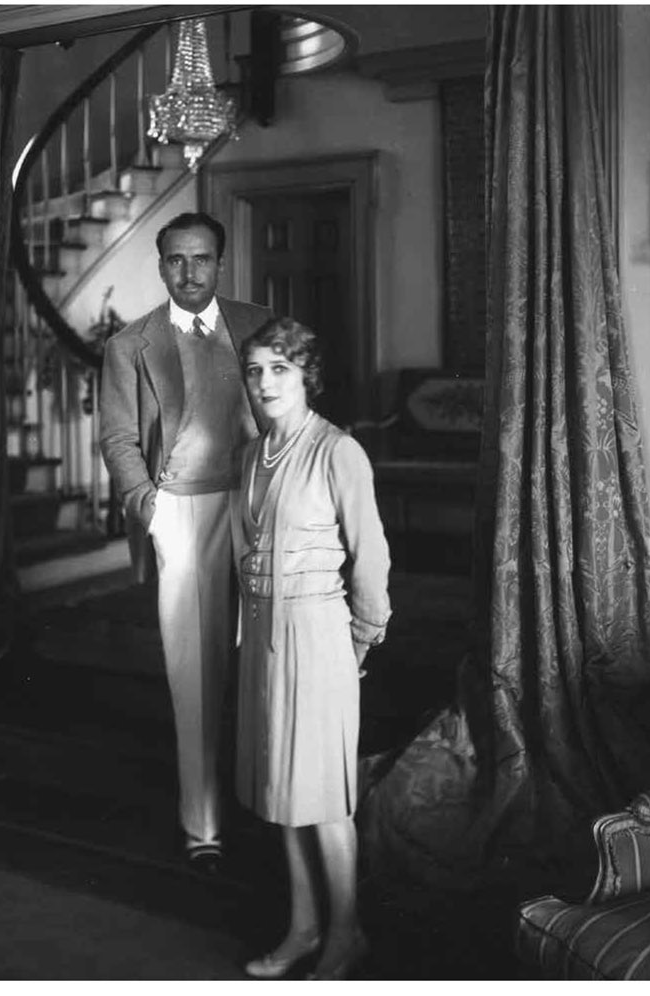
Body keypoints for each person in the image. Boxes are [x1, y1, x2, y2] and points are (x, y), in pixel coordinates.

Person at [98, 211, 273, 875]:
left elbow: (293, 412)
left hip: (260, 510)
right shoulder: (130, 345)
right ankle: (202, 824)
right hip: (184, 513)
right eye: (176, 260)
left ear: (220, 262)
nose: (189, 273)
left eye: (201, 259)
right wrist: (151, 509)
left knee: (268, 664)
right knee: (193, 674)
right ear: (161, 262)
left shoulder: (259, 325)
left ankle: (269, 803)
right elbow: (118, 439)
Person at [232, 318, 391, 981]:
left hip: (320, 636)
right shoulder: (250, 455)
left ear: (305, 376)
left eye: (280, 369)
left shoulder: (337, 451)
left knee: (323, 798)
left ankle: (347, 933)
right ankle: (302, 929)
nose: (266, 383)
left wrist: (353, 642)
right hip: (264, 638)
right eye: (256, 371)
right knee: (281, 793)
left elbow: (372, 561)